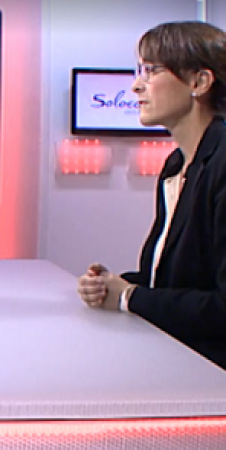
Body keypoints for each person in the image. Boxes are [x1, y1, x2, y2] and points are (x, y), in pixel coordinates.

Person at [78, 21, 226, 369]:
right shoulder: (177, 164)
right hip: (176, 360)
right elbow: (177, 281)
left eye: (152, 71)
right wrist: (114, 285)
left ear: (199, 82)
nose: (135, 86)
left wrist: (130, 297)